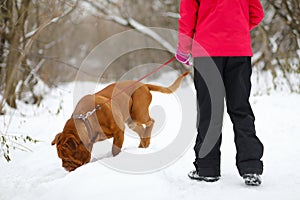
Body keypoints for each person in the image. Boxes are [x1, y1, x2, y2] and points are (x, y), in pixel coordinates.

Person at [176, 0, 264, 186]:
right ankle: (250, 167)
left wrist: (183, 48)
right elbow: (257, 14)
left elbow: (187, 16)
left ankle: (207, 168)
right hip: (238, 50)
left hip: (207, 50)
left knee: (210, 110)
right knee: (241, 108)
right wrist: (236, 28)